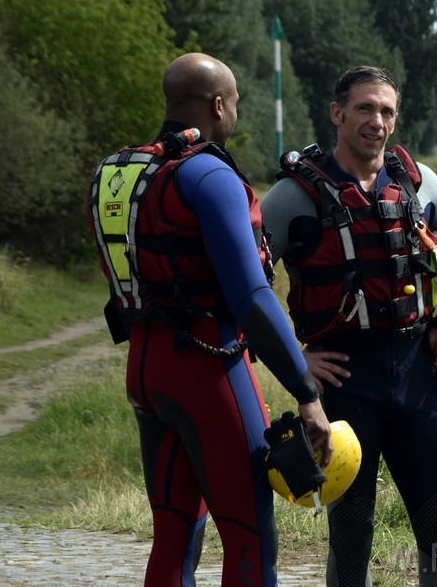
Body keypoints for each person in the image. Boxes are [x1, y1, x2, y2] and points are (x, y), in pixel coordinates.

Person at [86, 53, 332, 586]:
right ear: (218, 105)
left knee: (173, 536)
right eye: (236, 103)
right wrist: (305, 391)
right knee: (248, 535)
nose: (236, 114)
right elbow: (251, 297)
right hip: (208, 372)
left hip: (145, 371)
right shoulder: (209, 175)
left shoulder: (117, 173)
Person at [260, 65, 437, 587]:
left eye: (386, 111)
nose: (376, 121)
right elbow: (243, 289)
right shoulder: (294, 198)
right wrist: (297, 360)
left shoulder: (419, 182)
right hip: (344, 384)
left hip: (417, 378)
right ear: (337, 114)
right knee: (353, 535)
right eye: (364, 108)